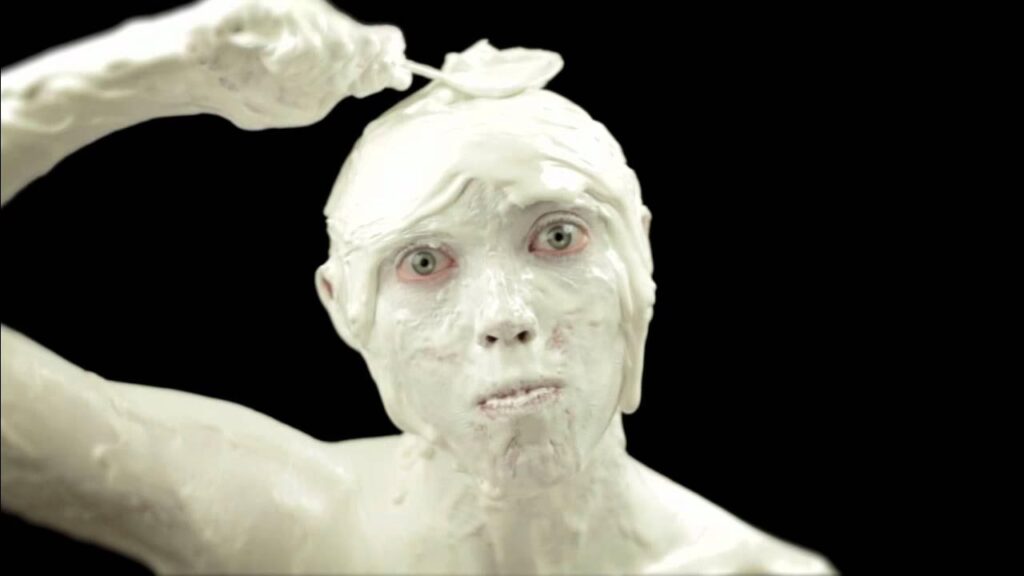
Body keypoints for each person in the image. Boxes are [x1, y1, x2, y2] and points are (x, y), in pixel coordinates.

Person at [1, 1, 837, 573]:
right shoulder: (284, 532)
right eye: (425, 264)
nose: (505, 318)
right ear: (344, 308)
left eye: (558, 236)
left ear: (640, 260)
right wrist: (159, 66)